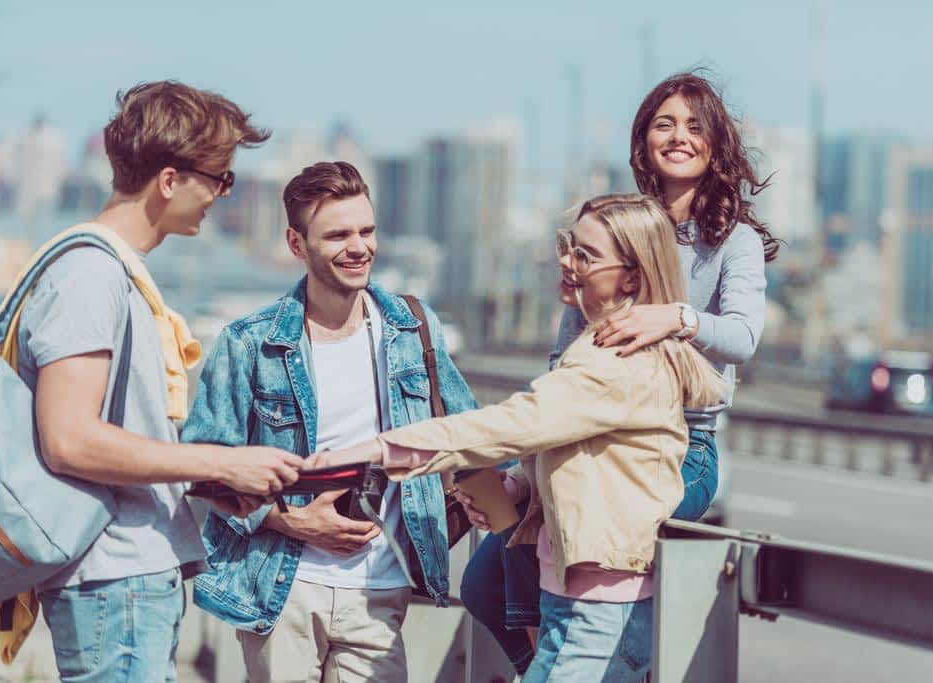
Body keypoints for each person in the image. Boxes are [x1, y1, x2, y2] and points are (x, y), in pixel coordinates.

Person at [308, 193, 727, 682]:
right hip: (578, 604)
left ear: (631, 276)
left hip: (598, 615)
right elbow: (590, 457)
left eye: (587, 255)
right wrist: (520, 489)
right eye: (569, 246)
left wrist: (381, 448)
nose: (569, 262)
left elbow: (512, 424)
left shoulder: (618, 363)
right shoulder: (602, 348)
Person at [459, 69, 781, 673]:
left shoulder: (731, 242)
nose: (678, 136)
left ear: (716, 145)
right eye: (664, 123)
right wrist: (523, 467)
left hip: (682, 445)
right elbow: (562, 360)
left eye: (694, 125)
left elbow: (742, 337)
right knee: (484, 582)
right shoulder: (610, 230)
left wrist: (674, 318)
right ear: (643, 141)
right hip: (585, 434)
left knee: (577, 557)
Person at [11, 80, 304, 683]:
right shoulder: (90, 276)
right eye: (221, 177)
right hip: (114, 580)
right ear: (170, 180)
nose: (224, 194)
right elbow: (69, 439)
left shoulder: (113, 273)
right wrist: (221, 463)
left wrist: (203, 480)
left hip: (132, 578)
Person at [180, 161, 477, 683]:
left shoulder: (414, 329)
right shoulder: (249, 342)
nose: (358, 246)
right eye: (337, 235)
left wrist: (522, 494)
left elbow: (472, 431)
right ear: (297, 245)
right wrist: (285, 520)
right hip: (282, 586)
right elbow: (203, 469)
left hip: (382, 588)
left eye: (366, 230)